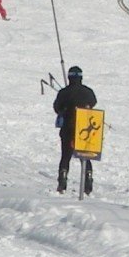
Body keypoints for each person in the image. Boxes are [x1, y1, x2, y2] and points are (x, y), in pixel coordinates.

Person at [53, 65, 97, 194]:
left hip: (68, 128)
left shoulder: (63, 92)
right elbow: (93, 102)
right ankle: (88, 181)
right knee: (86, 156)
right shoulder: (88, 92)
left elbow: (57, 108)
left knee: (66, 155)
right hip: (85, 128)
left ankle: (62, 180)